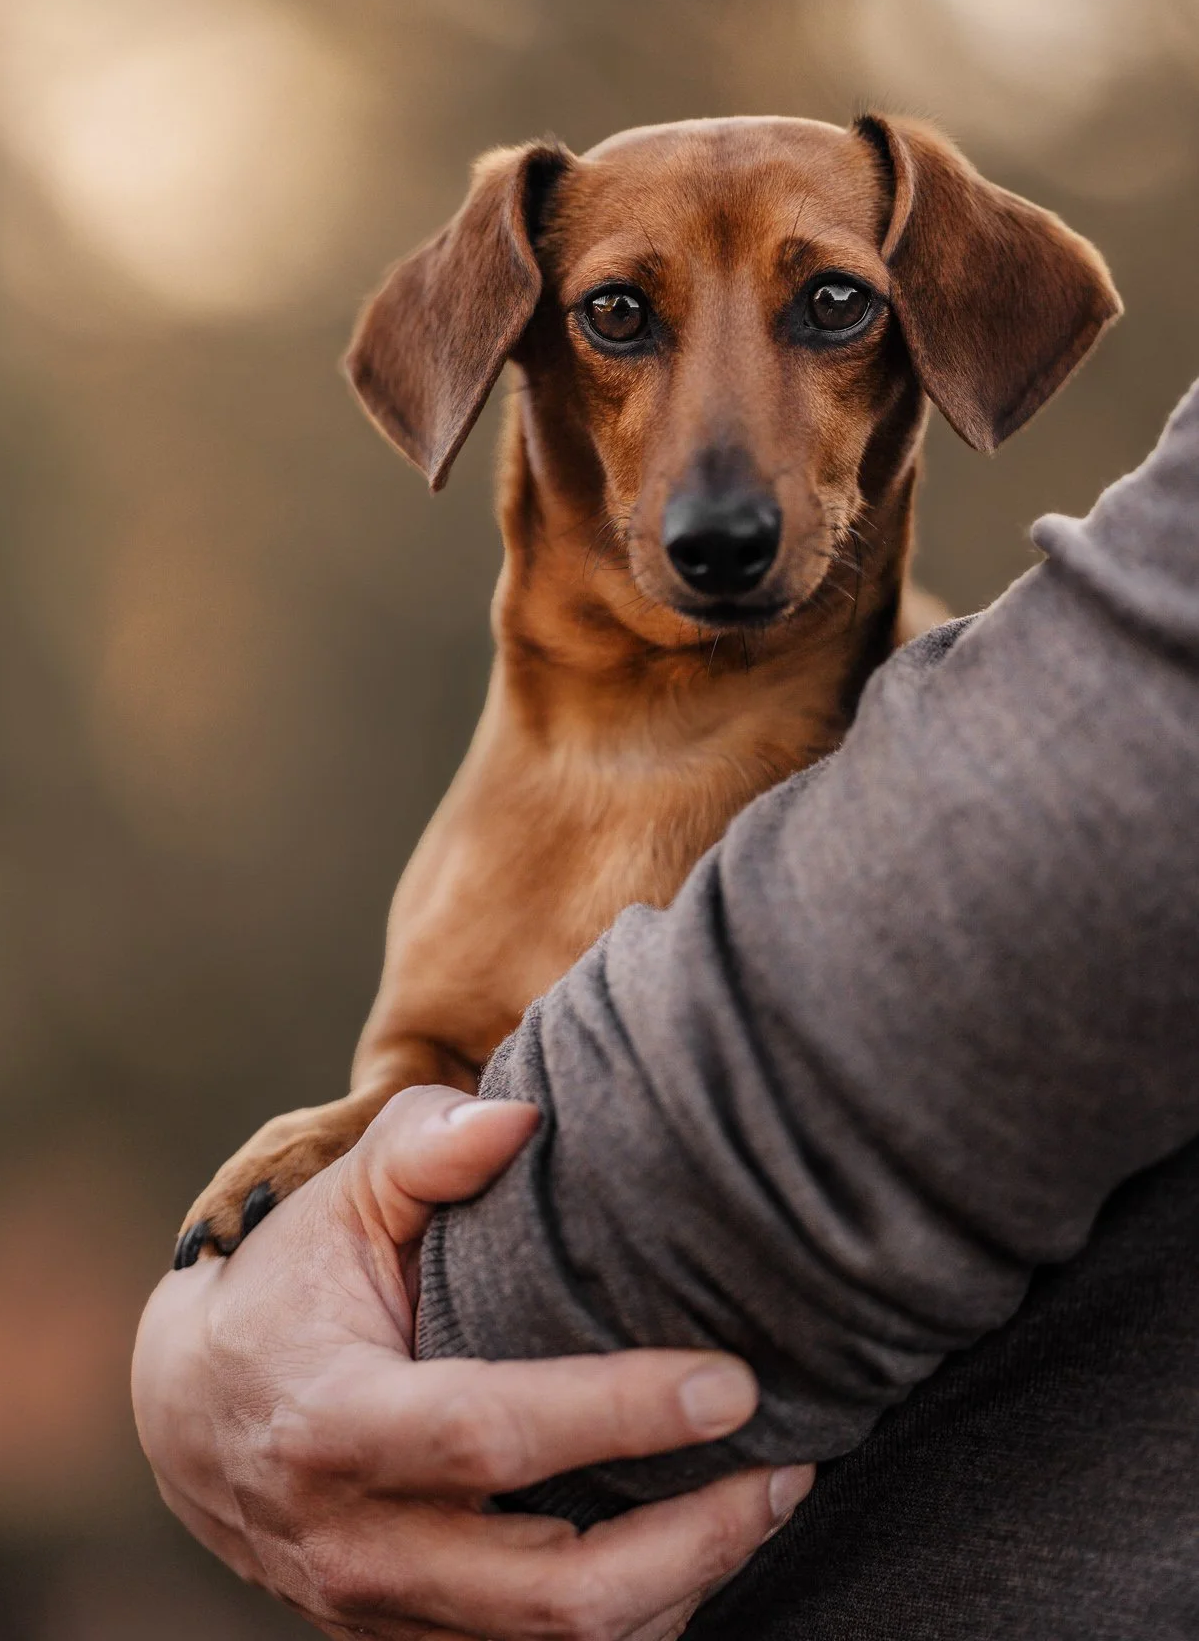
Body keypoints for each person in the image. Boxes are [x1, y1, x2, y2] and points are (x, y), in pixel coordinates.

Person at [134, 378, 1199, 1637]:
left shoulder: (952, 741)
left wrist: (387, 1334)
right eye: (622, 323)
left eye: (834, 309)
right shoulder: (481, 857)